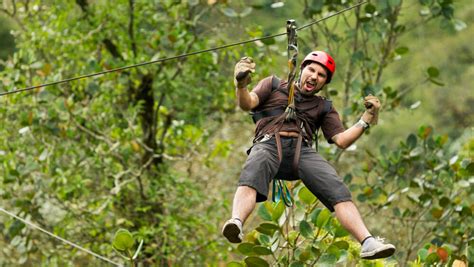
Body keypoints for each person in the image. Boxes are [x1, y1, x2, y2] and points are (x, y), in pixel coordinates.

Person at [222, 51, 396, 260]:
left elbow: (341, 140)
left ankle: (368, 242)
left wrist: (366, 119)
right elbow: (247, 103)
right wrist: (241, 84)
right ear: (302, 69)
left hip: (300, 152)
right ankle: (236, 222)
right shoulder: (274, 85)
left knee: (337, 188)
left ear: (324, 82)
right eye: (311, 70)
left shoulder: (323, 106)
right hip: (269, 144)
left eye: (321, 75)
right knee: (253, 170)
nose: (314, 76)